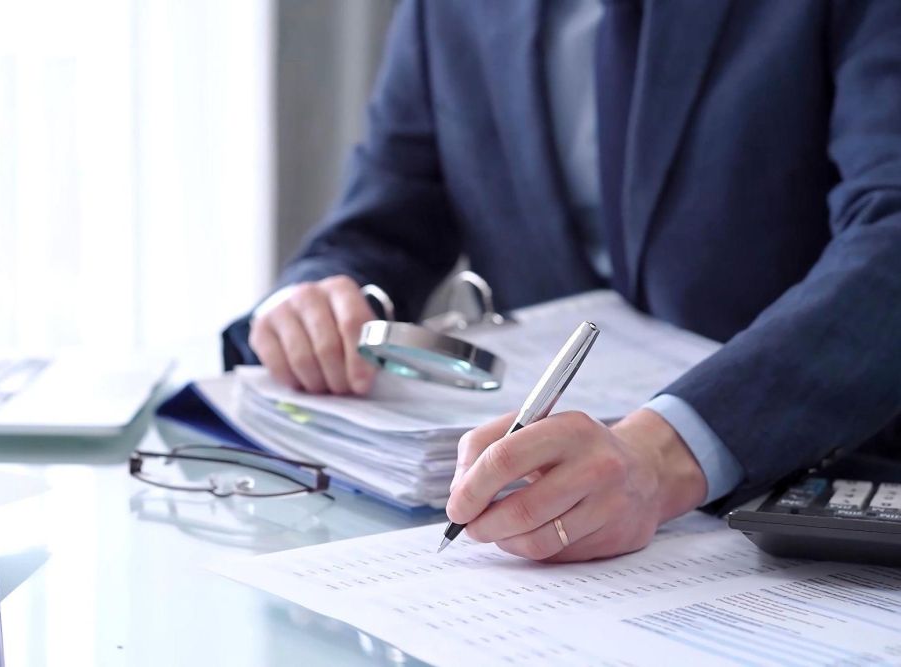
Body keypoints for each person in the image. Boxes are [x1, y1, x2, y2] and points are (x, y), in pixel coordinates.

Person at [223, 0, 901, 562]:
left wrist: (668, 453)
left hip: (814, 499)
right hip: (551, 527)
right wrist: (314, 296)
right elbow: (382, 221)